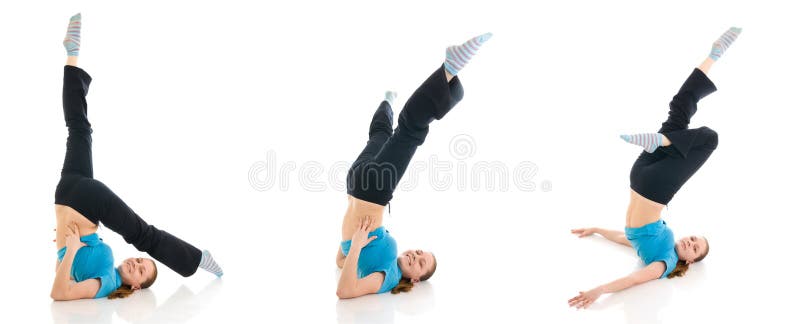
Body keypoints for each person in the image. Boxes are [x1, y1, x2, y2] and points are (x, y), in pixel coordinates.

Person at [51, 13, 224, 301]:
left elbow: (58, 293)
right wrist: (68, 246)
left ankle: (196, 259)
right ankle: (72, 55)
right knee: (79, 129)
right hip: (72, 193)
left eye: (140, 271)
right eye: (142, 262)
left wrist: (68, 250)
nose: (136, 263)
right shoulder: (108, 267)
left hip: (78, 197)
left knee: (144, 235)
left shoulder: (106, 283)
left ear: (135, 288)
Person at [567, 27, 741, 309]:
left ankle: (663, 140)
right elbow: (627, 239)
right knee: (679, 109)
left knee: (710, 139)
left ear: (689, 261)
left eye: (694, 249)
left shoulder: (665, 262)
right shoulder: (658, 240)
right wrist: (597, 230)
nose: (691, 242)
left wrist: (598, 290)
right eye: (695, 239)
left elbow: (635, 278)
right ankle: (714, 55)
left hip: (652, 186)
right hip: (644, 170)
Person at [335, 33, 492, 299]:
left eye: (419, 262)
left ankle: (450, 69)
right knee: (382, 136)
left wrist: (358, 245)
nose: (414, 256)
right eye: (419, 253)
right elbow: (342, 259)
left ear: (415, 279)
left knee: (410, 130)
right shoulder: (391, 253)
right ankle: (387, 102)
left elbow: (345, 289)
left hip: (365, 188)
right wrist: (354, 248)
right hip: (362, 184)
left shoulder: (389, 276)